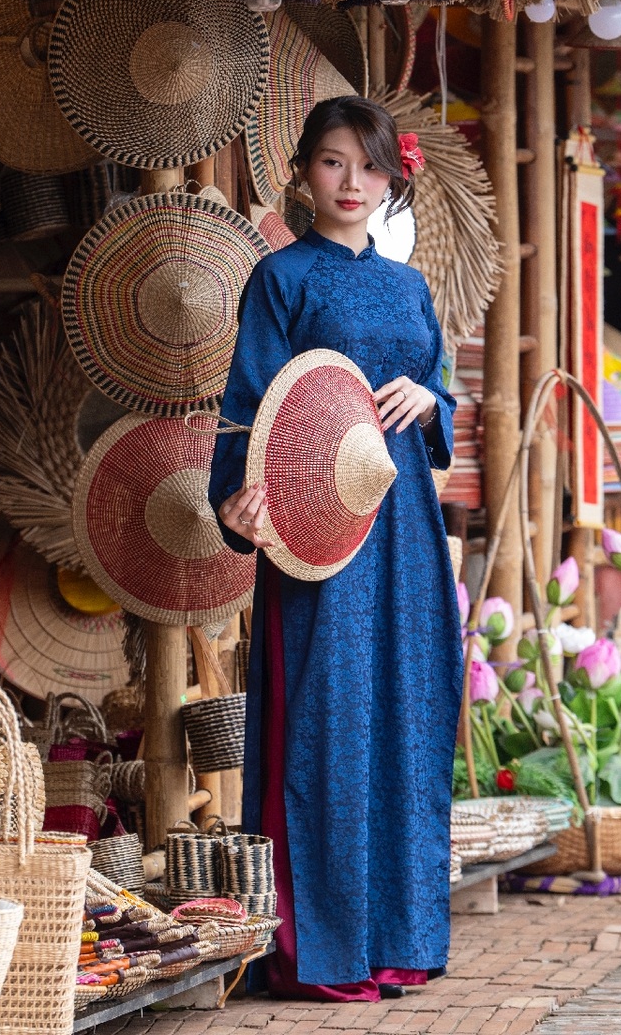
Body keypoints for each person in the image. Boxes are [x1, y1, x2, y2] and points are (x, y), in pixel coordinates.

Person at [207, 95, 462, 1001]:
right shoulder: (281, 278)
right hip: (316, 531)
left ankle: (400, 938)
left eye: (369, 164)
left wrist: (434, 402)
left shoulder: (411, 286)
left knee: (408, 714)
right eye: (331, 162)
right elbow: (246, 402)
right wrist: (235, 497)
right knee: (324, 722)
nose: (352, 182)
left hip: (404, 527)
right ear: (303, 173)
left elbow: (439, 388)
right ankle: (322, 952)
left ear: (393, 175)